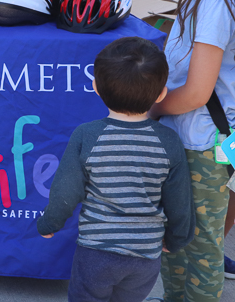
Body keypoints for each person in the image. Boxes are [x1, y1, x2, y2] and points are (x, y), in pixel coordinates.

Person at [37, 36, 195, 302]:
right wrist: (177, 239)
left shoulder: (87, 135)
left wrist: (49, 223)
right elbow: (180, 200)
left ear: (96, 87)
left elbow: (66, 190)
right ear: (161, 94)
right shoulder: (168, 141)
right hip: (145, 257)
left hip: (96, 253)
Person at [148, 0, 235, 301]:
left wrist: (153, 108)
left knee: (194, 244)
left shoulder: (218, 1)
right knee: (190, 237)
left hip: (201, 141)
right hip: (217, 140)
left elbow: (198, 91)